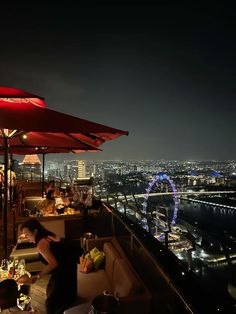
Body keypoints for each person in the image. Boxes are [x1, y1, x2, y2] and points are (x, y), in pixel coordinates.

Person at [17, 218, 81, 314]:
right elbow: (60, 249)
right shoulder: (48, 235)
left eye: (27, 234)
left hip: (63, 271)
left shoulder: (41, 244)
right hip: (69, 266)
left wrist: (37, 276)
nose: (26, 237)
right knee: (52, 292)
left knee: (51, 303)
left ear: (35, 231)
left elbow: (53, 264)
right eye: (24, 235)